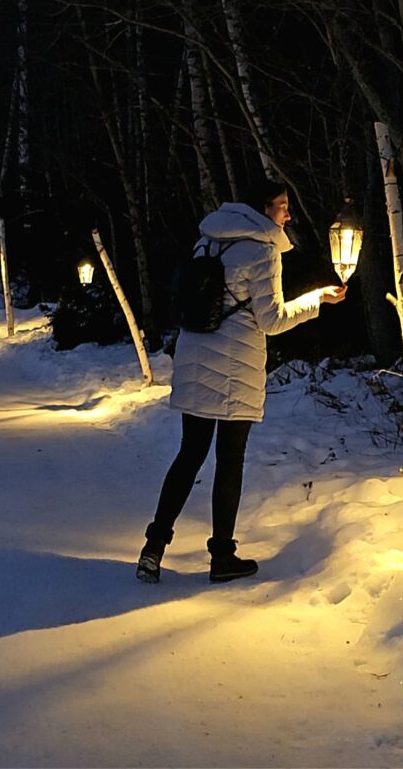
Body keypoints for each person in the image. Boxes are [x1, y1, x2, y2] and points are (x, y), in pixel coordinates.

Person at [136, 179, 346, 584]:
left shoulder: (207, 241)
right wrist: (317, 299)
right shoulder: (264, 250)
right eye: (283, 206)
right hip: (235, 367)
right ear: (264, 208)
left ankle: (153, 548)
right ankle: (222, 557)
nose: (288, 213)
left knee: (189, 455)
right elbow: (271, 320)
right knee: (229, 460)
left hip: (195, 359)